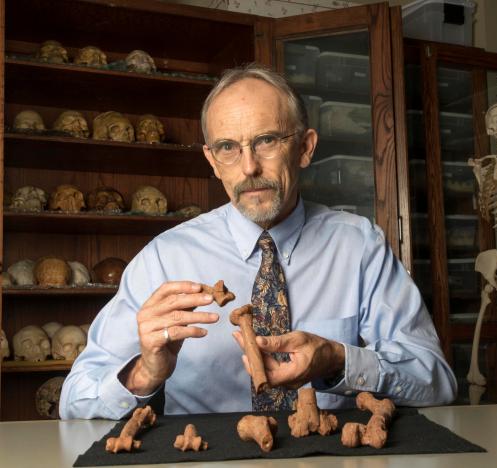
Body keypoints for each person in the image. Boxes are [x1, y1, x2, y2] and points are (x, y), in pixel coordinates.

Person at [60, 64, 457, 420]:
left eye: (266, 140)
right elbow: (74, 400)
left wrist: (338, 360)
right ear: (213, 162)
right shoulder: (165, 258)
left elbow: (436, 380)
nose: (249, 167)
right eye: (228, 148)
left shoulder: (360, 246)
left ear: (305, 148)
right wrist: (145, 372)